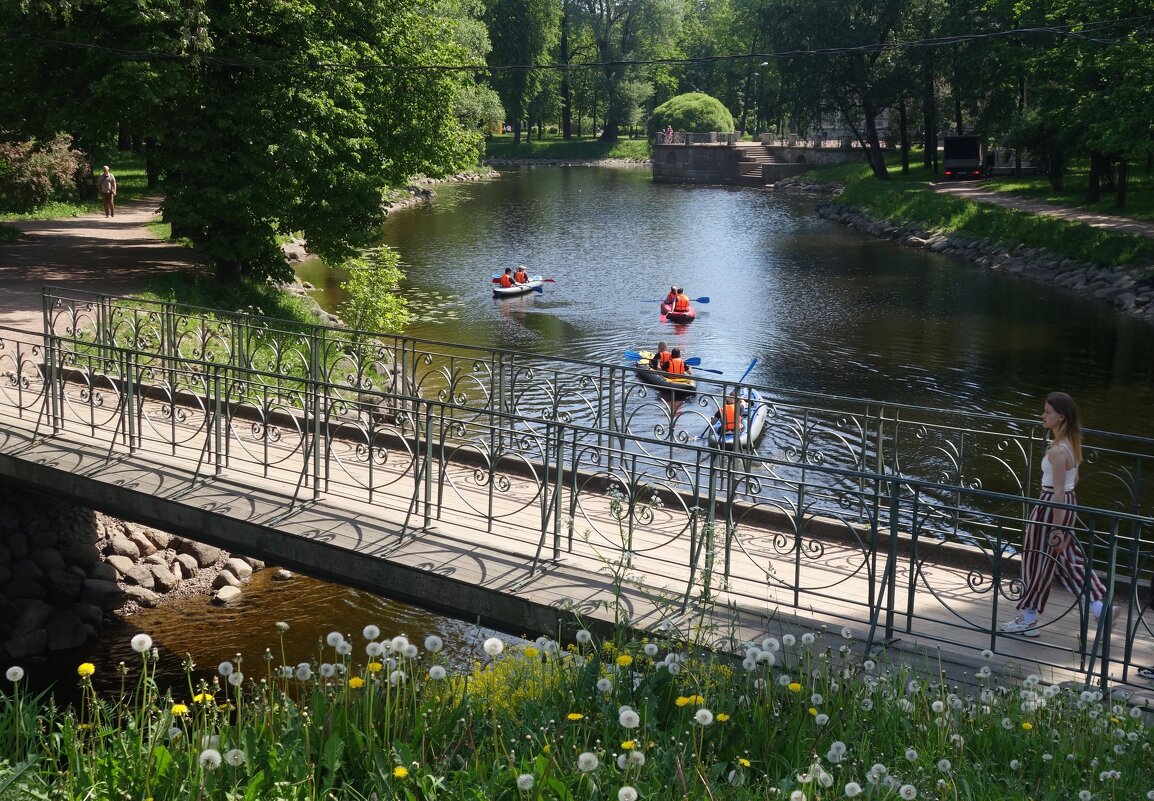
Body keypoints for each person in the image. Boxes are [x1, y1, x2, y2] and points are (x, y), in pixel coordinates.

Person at [1000, 392, 1116, 637]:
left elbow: (1059, 492)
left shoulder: (1058, 451)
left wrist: (1056, 528)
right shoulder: (1072, 443)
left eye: (1048, 412)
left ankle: (1029, 619)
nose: (1043, 416)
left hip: (1051, 505)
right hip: (1065, 504)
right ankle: (1099, 607)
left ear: (1061, 416)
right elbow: (1073, 482)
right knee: (1065, 559)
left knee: (1035, 559)